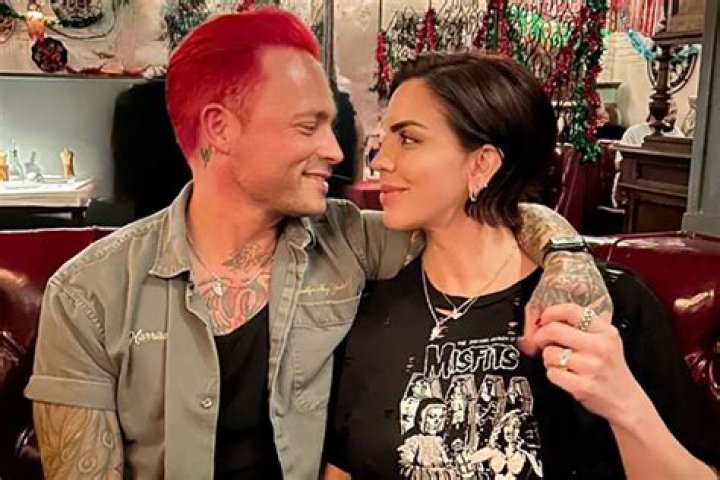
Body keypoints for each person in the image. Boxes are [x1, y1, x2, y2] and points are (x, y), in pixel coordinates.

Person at [25, 10, 611, 480]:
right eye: (308, 126)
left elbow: (490, 215)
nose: (336, 150)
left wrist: (567, 260)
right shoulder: (89, 294)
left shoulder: (352, 239)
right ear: (220, 129)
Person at [325, 53, 720, 479]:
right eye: (385, 136)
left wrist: (623, 403)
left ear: (482, 163)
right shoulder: (373, 308)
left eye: (408, 139)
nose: (379, 160)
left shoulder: (606, 307)